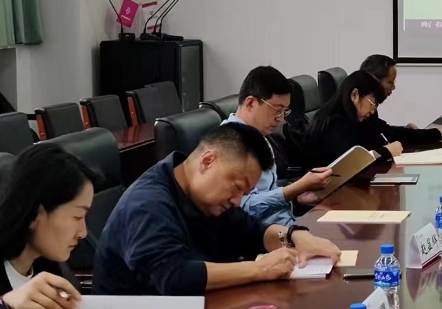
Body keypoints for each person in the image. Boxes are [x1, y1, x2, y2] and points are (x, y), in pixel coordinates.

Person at [93, 123, 341, 296]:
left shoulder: (205, 197)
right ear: (207, 161)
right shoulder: (148, 204)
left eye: (244, 194)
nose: (237, 201)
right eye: (237, 187)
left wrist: (295, 236)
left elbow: (251, 230)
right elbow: (174, 277)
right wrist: (260, 269)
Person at [1, 144, 101, 309]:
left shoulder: (49, 269)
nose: (83, 232)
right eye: (77, 216)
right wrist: (7, 308)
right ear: (35, 214)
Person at [228, 66, 335, 225]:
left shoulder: (260, 136)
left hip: (289, 224)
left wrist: (297, 197)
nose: (282, 119)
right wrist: (298, 187)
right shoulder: (230, 144)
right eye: (277, 110)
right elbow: (244, 207)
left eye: (285, 111)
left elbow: (267, 191)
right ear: (250, 103)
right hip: (268, 234)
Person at [304, 70, 403, 167]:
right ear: (354, 95)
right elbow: (351, 163)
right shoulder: (334, 122)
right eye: (372, 104)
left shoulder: (355, 119)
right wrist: (386, 151)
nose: (373, 111)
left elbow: (380, 134)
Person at [360, 54, 442, 146]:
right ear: (375, 81)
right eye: (390, 82)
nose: (393, 87)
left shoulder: (369, 104)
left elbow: (382, 130)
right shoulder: (361, 107)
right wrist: (438, 134)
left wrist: (406, 130)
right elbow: (388, 135)